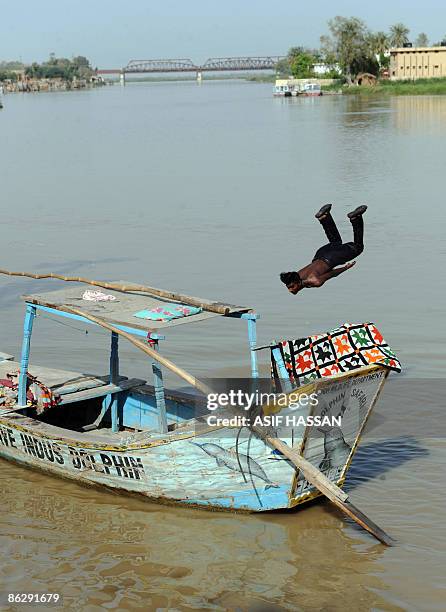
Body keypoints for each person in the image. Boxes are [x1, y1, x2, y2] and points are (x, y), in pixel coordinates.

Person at [280, 204, 367, 294]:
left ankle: (356, 218)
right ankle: (324, 217)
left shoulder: (315, 281)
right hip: (320, 254)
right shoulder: (297, 275)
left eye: (292, 287)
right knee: (335, 242)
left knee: (358, 247)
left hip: (331, 258)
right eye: (289, 288)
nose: (290, 290)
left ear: (297, 282)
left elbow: (332, 274)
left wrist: (345, 268)